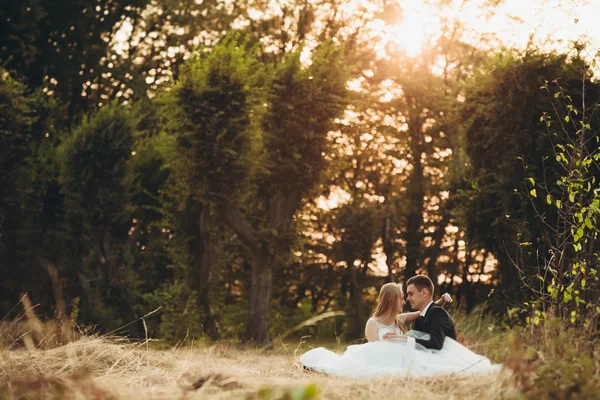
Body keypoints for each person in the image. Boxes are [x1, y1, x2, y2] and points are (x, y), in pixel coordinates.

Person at [299, 280, 501, 378]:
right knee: (359, 362)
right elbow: (375, 350)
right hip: (385, 357)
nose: (405, 300)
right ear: (391, 299)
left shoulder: (401, 319)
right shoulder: (373, 323)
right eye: (401, 297)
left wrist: (441, 300)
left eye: (407, 296)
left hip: (405, 356)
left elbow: (426, 311)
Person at [384, 275, 456, 350]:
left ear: (424, 293)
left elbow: (436, 344)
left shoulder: (437, 312)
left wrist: (404, 339)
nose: (408, 298)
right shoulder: (420, 317)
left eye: (411, 294)